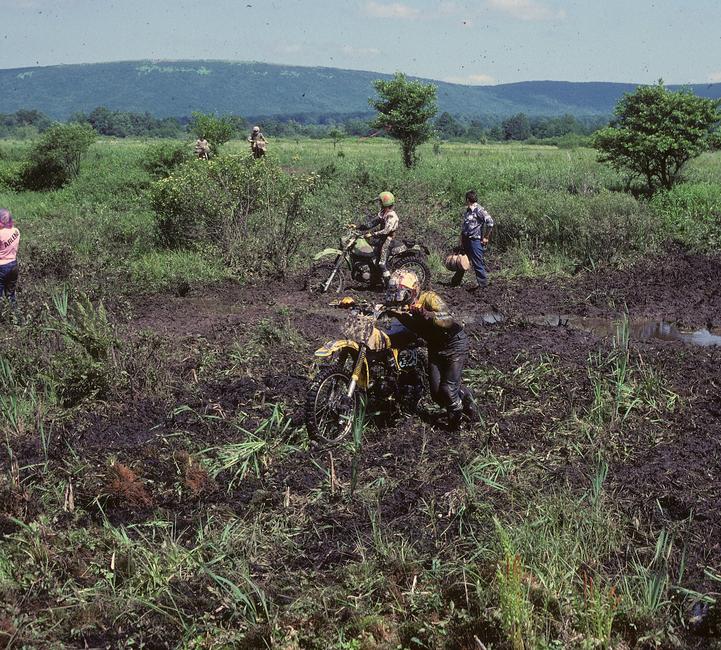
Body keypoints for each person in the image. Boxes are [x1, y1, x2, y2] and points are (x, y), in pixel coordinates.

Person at [385, 269, 479, 429]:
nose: (397, 297)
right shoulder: (400, 307)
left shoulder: (429, 298)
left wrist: (427, 314)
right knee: (436, 394)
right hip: (435, 346)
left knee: (447, 389)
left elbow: (449, 318)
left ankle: (457, 425)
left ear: (413, 290)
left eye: (402, 293)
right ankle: (464, 396)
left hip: (454, 344)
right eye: (395, 293)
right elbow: (379, 308)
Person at [451, 189, 494, 290]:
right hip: (466, 240)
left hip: (475, 241)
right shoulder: (468, 211)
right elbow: (465, 227)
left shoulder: (479, 210)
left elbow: (490, 223)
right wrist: (461, 239)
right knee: (462, 261)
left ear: (467, 199)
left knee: (478, 263)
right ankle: (455, 283)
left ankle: (483, 287)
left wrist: (486, 237)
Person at [356, 191, 399, 287]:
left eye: (380, 202)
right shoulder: (383, 213)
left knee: (381, 263)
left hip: (387, 240)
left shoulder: (392, 216)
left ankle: (389, 287)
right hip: (381, 239)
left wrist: (372, 234)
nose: (379, 204)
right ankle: (375, 279)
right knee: (372, 257)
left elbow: (386, 231)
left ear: (385, 202)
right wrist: (358, 227)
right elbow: (372, 223)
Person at [0, 209, 19, 309]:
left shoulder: (1, 234)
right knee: (11, 295)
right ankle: (16, 319)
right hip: (14, 265)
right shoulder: (16, 231)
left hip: (2, 267)